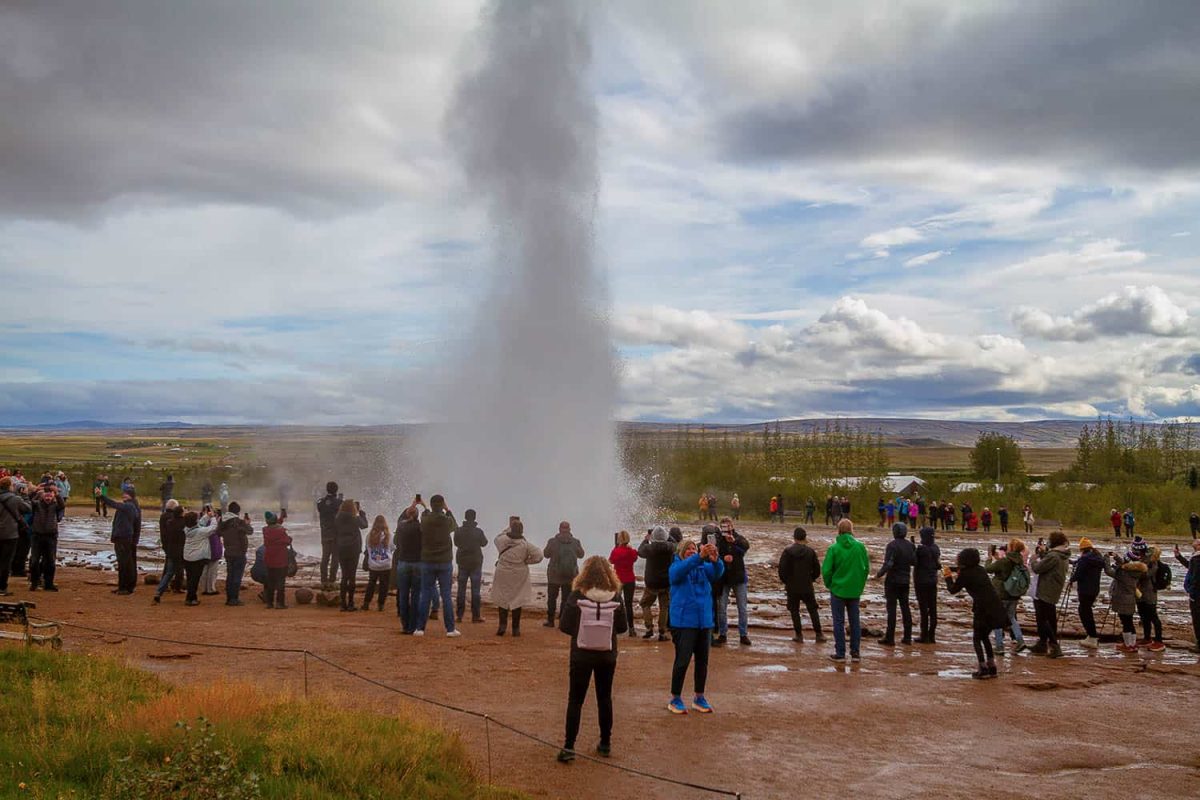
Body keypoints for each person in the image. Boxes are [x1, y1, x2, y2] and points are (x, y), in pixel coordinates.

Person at [556, 555, 628, 763]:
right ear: (608, 574)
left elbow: (564, 626)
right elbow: (622, 627)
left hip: (581, 654)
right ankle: (605, 744)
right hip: (607, 655)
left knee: (575, 700)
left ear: (584, 573)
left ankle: (569, 746)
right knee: (604, 698)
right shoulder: (615, 597)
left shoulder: (577, 595)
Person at [666, 539, 724, 714]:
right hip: (683, 622)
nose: (691, 551)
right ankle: (675, 698)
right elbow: (677, 574)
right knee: (682, 661)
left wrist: (716, 560)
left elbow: (717, 574)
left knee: (702, 662)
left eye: (694, 549)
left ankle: (699, 697)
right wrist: (698, 557)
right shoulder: (676, 567)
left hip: (704, 622)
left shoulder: (702, 567)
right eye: (688, 549)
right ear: (681, 552)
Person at [943, 548, 1008, 679]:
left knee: (977, 638)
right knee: (985, 637)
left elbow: (953, 590)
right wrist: (955, 569)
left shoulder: (965, 574)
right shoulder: (980, 569)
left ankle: (983, 668)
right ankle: (992, 666)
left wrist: (948, 576)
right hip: (995, 606)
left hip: (982, 609)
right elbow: (967, 572)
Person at [822, 519, 870, 663]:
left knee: (838, 622)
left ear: (839, 530)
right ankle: (855, 653)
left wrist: (830, 584)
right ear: (851, 530)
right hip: (854, 590)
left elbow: (826, 570)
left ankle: (840, 653)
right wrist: (860, 585)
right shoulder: (860, 547)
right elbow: (866, 568)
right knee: (855, 622)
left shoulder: (834, 548)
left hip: (838, 589)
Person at [491, 519, 543, 636]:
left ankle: (502, 627)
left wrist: (508, 527)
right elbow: (539, 556)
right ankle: (515, 629)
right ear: (522, 531)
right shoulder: (525, 545)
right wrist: (527, 561)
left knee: (502, 599)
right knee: (517, 600)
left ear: (511, 529)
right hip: (519, 574)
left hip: (503, 572)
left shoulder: (502, 541)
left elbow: (498, 536)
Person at [416, 495, 459, 637]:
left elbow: (424, 517)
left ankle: (420, 628)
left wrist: (424, 507)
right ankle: (450, 629)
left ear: (432, 505)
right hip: (444, 561)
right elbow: (456, 526)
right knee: (446, 595)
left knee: (425, 594)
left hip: (428, 560)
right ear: (442, 505)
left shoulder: (426, 520)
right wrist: (448, 509)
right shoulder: (446, 521)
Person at [708, 517, 751, 646]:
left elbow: (745, 548)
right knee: (721, 607)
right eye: (723, 526)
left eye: (727, 526)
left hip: (738, 578)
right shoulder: (719, 540)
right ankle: (723, 634)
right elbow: (713, 554)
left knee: (742, 607)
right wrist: (722, 557)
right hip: (724, 578)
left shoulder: (738, 538)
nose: (725, 529)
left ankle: (743, 634)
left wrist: (735, 542)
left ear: (732, 526)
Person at [778, 527, 824, 643]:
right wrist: (810, 579)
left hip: (792, 586)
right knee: (812, 609)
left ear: (794, 537)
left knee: (794, 611)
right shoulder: (810, 552)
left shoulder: (787, 551)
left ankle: (799, 635)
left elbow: (782, 570)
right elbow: (817, 570)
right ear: (805, 537)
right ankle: (819, 634)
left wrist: (787, 581)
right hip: (807, 585)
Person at [874, 522, 916, 646]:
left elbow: (889, 563)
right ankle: (907, 636)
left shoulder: (892, 545)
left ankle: (890, 637)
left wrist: (879, 574)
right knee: (905, 608)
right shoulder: (910, 545)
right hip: (905, 580)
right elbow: (914, 562)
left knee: (891, 610)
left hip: (892, 581)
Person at [1029, 531, 1070, 658]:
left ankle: (1054, 645)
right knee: (1050, 617)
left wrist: (1034, 559)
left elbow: (1037, 568)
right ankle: (1042, 643)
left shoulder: (1053, 556)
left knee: (1043, 618)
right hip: (1053, 588)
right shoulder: (1062, 554)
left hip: (1045, 589)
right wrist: (1043, 553)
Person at [97, 484, 142, 595]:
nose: (123, 495)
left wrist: (102, 496)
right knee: (125, 563)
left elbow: (114, 504)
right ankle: (123, 586)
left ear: (130, 495)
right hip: (124, 537)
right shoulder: (131, 506)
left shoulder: (129, 506)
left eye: (126, 493)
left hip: (124, 538)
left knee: (124, 564)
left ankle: (125, 587)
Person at [1103, 549, 1148, 653]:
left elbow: (1108, 571)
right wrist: (1116, 556)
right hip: (1131, 600)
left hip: (1122, 600)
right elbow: (1125, 564)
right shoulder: (1136, 572)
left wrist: (1106, 558)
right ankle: (1132, 644)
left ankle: (1128, 645)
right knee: (1130, 622)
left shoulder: (1124, 573)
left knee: (1126, 623)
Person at [544, 521, 585, 627]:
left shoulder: (552, 541)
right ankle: (562, 620)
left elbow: (546, 554)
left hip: (554, 576)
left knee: (552, 598)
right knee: (566, 599)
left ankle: (550, 620)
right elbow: (581, 555)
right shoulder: (575, 542)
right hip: (570, 576)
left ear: (559, 529)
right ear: (569, 529)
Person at [638, 526, 675, 641]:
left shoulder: (649, 548)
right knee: (664, 606)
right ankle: (662, 631)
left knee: (645, 604)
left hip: (652, 582)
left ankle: (649, 628)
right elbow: (677, 544)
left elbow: (640, 551)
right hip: (666, 581)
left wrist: (646, 539)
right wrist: (669, 536)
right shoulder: (670, 547)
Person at [1068, 537, 1104, 649]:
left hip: (1084, 589)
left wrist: (1071, 580)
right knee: (1086, 610)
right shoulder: (1097, 557)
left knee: (1084, 612)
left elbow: (1079, 573)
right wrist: (1071, 561)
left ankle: (1092, 636)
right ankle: (1091, 636)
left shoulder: (1085, 559)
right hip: (1094, 589)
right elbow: (1079, 563)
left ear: (1082, 549)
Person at [454, 509, 488, 624]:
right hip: (475, 562)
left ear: (465, 517)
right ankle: (476, 615)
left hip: (462, 562)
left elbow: (456, 543)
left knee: (461, 589)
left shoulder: (458, 530)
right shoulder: (478, 532)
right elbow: (484, 543)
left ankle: (459, 615)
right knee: (475, 590)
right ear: (474, 518)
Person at [28, 482, 65, 591]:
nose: (48, 497)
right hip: (37, 536)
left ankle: (49, 583)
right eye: (46, 495)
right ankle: (34, 582)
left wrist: (57, 493)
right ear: (42, 496)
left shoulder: (55, 506)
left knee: (50, 561)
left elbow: (62, 505)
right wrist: (35, 491)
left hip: (51, 536)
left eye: (50, 495)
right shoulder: (36, 505)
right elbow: (28, 501)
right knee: (34, 561)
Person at [392, 507, 423, 633]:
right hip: (417, 562)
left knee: (403, 594)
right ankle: (413, 625)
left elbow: (395, 541)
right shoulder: (421, 527)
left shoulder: (401, 527)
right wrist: (425, 508)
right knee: (416, 595)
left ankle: (405, 625)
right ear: (417, 516)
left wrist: (411, 506)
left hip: (403, 562)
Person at [334, 499, 368, 612]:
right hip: (353, 548)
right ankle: (351, 602)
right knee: (352, 576)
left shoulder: (338, 518)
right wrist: (362, 514)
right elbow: (364, 525)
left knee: (344, 575)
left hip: (341, 548)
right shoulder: (355, 518)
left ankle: (343, 603)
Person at [0, 477, 32, 596]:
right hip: (10, 533)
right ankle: (2, 587)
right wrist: (25, 496)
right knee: (6, 561)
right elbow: (28, 508)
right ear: (9, 486)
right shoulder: (15, 499)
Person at [217, 501, 251, 606]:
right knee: (237, 576)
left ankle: (229, 598)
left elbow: (218, 533)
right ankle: (234, 598)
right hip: (239, 552)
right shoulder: (238, 522)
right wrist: (247, 524)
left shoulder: (223, 522)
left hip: (228, 551)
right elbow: (250, 531)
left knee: (230, 575)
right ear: (238, 511)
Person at [1134, 539, 1165, 651]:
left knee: (1153, 617)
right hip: (1140, 592)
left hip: (1150, 592)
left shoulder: (1153, 563)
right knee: (1144, 616)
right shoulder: (1142, 560)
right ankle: (1147, 638)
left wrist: (1136, 569)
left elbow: (1146, 575)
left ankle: (1159, 641)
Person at [153, 499, 185, 603]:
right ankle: (177, 586)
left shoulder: (165, 518)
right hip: (179, 550)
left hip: (169, 546)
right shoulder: (180, 523)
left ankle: (160, 590)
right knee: (178, 569)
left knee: (168, 570)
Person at [609, 530, 639, 638]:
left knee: (615, 603)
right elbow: (635, 557)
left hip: (618, 579)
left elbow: (611, 561)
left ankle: (615, 627)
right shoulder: (631, 551)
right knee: (628, 604)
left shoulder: (616, 551)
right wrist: (630, 549)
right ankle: (631, 629)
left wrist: (615, 548)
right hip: (630, 579)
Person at [181, 510, 215, 606]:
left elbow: (200, 524)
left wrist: (207, 516)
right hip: (197, 558)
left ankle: (190, 597)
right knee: (194, 579)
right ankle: (191, 599)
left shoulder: (187, 529)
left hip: (187, 557)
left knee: (190, 578)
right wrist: (213, 518)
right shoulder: (200, 532)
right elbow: (213, 528)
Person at [914, 526, 941, 643]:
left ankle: (924, 635)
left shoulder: (921, 550)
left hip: (921, 581)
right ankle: (932, 635)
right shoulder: (935, 548)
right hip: (932, 580)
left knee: (924, 609)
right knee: (933, 608)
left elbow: (914, 562)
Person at [361, 515, 393, 612]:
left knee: (371, 584)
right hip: (386, 564)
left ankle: (366, 603)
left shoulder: (369, 535)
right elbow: (393, 548)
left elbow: (367, 549)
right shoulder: (390, 535)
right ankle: (381, 605)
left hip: (373, 564)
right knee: (384, 585)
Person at [261, 511, 292, 609]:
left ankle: (269, 603)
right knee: (280, 582)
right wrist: (290, 538)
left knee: (270, 582)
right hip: (281, 560)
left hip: (269, 560)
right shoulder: (281, 531)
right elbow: (287, 541)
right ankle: (280, 603)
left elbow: (274, 524)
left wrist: (281, 518)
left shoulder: (265, 530)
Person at [316, 481, 343, 590]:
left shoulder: (320, 502)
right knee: (335, 557)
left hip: (325, 533)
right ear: (336, 490)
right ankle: (332, 580)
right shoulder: (339, 502)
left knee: (325, 557)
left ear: (327, 489)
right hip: (336, 534)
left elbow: (322, 509)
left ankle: (323, 580)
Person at [1173, 541, 1199, 651]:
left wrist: (1191, 590)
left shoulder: (1197, 559)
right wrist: (1179, 557)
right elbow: (1190, 568)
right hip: (1195, 592)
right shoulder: (1195, 558)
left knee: (1197, 618)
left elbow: (1195, 576)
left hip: (1196, 594)